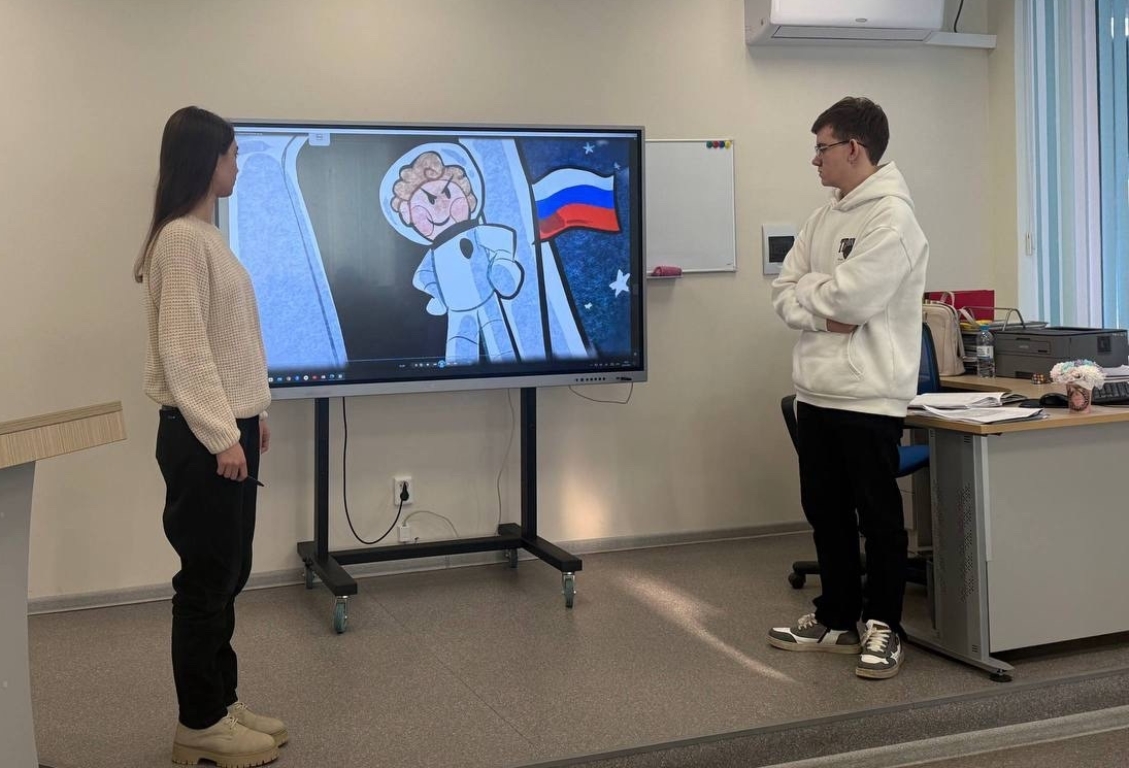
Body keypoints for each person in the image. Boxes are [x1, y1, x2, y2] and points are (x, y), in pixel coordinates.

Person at [134, 106, 285, 765]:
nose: (237, 165)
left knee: (228, 574)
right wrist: (224, 434)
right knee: (206, 580)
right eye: (232, 154)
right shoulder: (179, 241)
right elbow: (185, 352)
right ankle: (199, 724)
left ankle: (222, 703)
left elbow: (230, 343)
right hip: (203, 437)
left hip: (227, 427)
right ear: (207, 159)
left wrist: (254, 415)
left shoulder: (204, 236)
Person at [769, 97, 929, 679]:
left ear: (854, 149)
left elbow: (854, 302)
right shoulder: (822, 217)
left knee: (877, 517)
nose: (815, 159)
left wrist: (817, 295)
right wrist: (822, 304)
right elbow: (784, 293)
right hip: (815, 391)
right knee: (825, 510)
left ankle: (884, 626)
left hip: (868, 395)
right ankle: (836, 619)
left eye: (823, 147)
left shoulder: (893, 219)